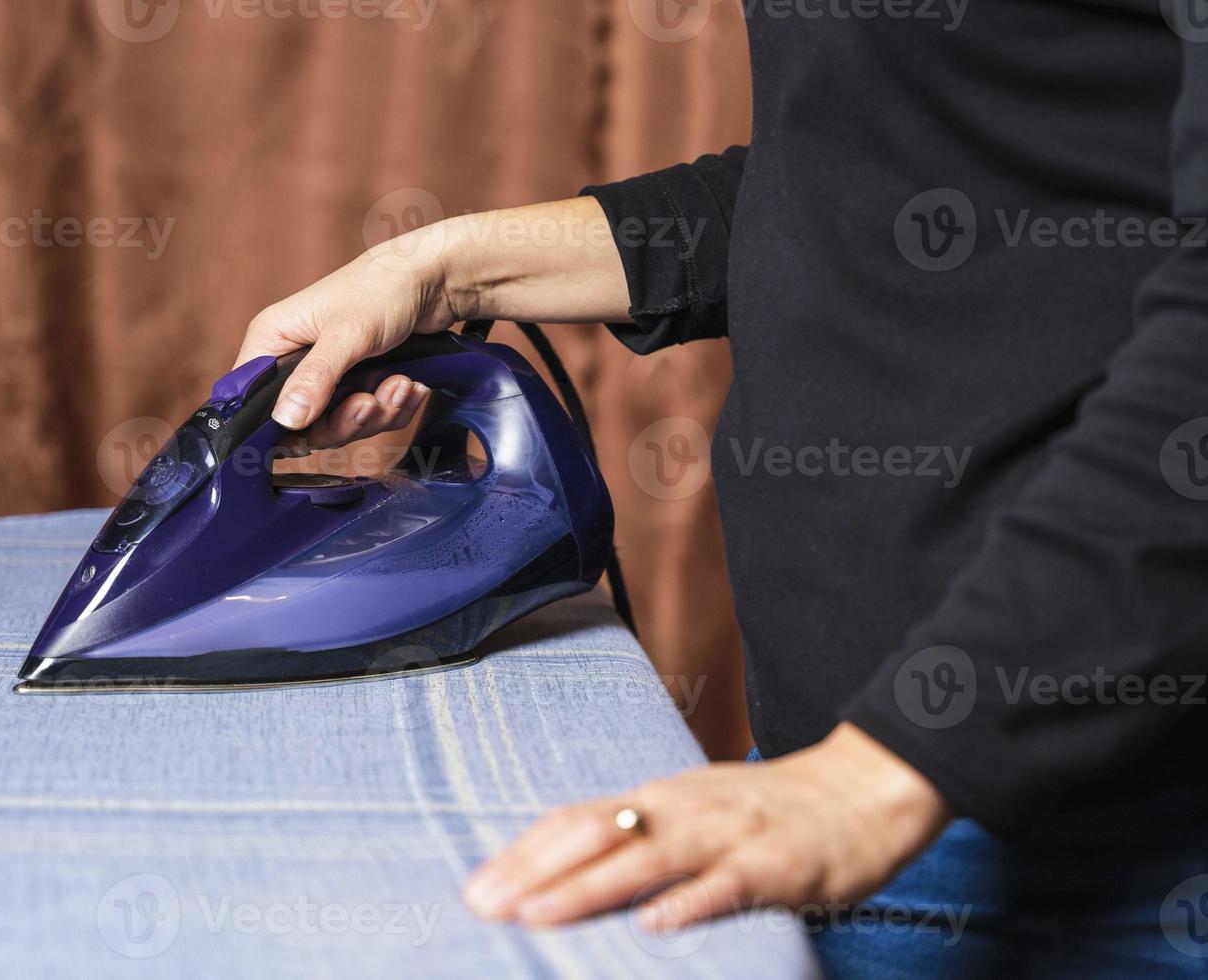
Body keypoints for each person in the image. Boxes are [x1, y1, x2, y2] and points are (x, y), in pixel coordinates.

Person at [234, 5, 1208, 975]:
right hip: (838, 775)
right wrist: (444, 269)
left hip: (1071, 837)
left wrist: (886, 771)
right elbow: (865, 177)